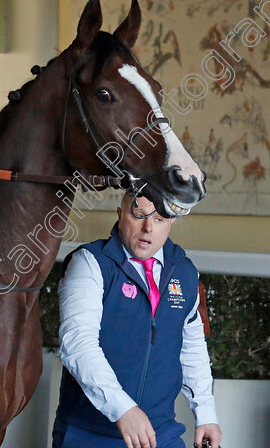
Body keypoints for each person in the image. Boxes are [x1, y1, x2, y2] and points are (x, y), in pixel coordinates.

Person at [53, 191, 222, 448]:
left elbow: (192, 347)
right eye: (139, 215)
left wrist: (206, 413)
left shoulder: (185, 272)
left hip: (160, 435)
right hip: (89, 435)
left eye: (160, 219)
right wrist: (123, 409)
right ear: (120, 215)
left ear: (172, 221)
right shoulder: (89, 263)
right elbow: (77, 344)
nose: (148, 228)